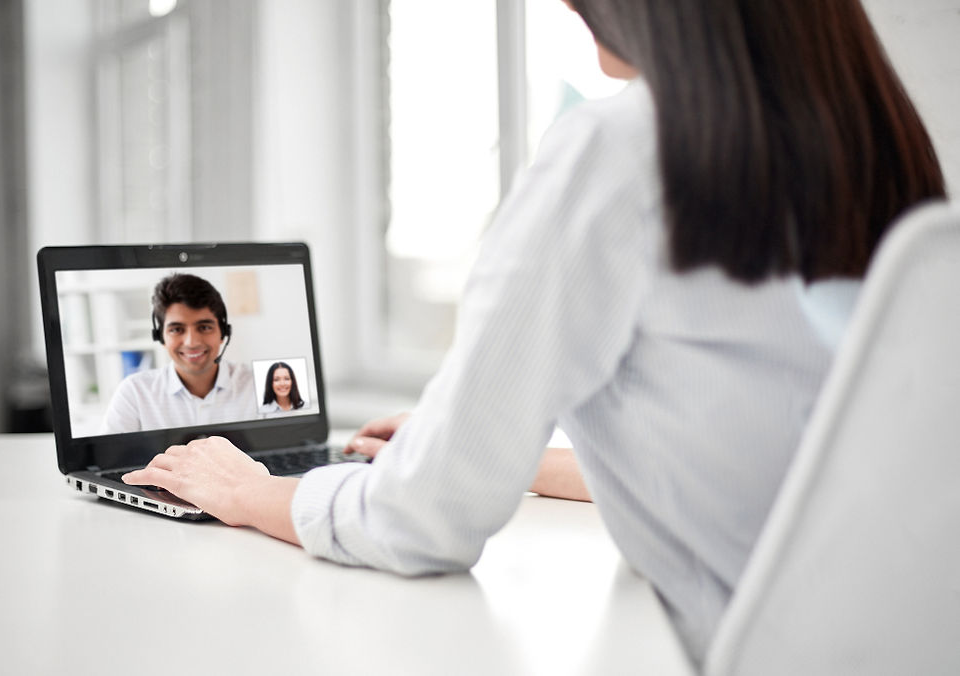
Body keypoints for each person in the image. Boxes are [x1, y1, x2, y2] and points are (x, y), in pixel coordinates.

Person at [123, 0, 945, 663]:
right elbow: (785, 455)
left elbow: (424, 521)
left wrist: (245, 490)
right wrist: (490, 441)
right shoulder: (875, 142)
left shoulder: (624, 146)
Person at [103, 273, 257, 433]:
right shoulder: (134, 392)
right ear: (161, 336)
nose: (191, 342)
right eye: (177, 329)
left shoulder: (260, 385)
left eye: (204, 327)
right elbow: (110, 457)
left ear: (223, 333)